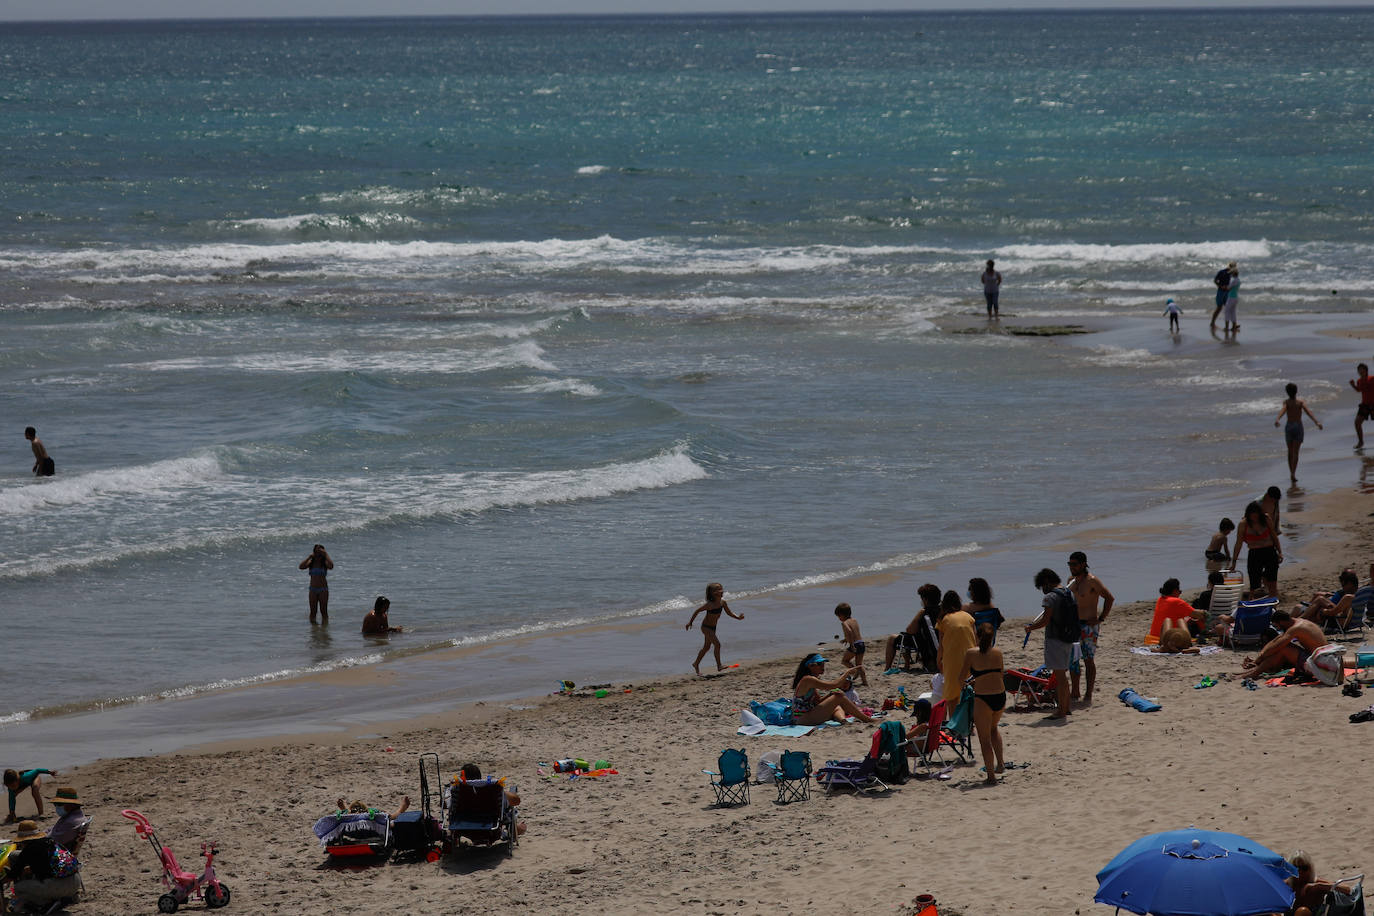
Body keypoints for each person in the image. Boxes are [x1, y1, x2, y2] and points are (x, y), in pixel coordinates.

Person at [1024, 569, 1075, 720]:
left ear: (1046, 581)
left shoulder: (1050, 597)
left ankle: (1061, 710)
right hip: (1069, 637)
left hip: (1055, 639)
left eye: (1042, 586)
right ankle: (1066, 707)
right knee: (1063, 676)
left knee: (1059, 677)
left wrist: (1030, 628)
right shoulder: (1068, 593)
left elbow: (1045, 620)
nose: (1042, 590)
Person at [958, 622, 1006, 785]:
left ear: (977, 636)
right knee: (993, 729)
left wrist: (968, 685)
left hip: (983, 698)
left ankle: (991, 776)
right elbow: (999, 673)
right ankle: (1000, 764)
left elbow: (961, 678)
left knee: (984, 738)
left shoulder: (971, 653)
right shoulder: (998, 652)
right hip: (1000, 696)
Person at [1067, 550, 1114, 704]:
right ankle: (1075, 692)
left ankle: (1088, 694)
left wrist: (1101, 618)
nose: (1071, 567)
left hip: (1088, 626)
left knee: (1088, 660)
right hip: (1073, 625)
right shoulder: (1071, 581)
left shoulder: (1092, 580)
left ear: (1083, 564)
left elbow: (1109, 597)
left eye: (1074, 564)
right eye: (1069, 564)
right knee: (1073, 660)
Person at [7, 819, 81, 910]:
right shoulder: (50, 841)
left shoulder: (29, 850)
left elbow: (13, 874)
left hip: (61, 886)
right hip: (75, 881)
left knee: (18, 888)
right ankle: (66, 896)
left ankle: (47, 903)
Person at [1236, 609, 1331, 679]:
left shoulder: (1296, 628)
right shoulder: (1297, 622)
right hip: (1323, 658)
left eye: (1277, 626)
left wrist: (1260, 659)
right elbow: (1277, 639)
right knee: (1282, 648)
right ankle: (1255, 670)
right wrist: (1258, 658)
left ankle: (1254, 673)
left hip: (1321, 664)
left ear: (1281, 622)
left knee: (1283, 649)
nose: (1278, 629)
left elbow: (1277, 646)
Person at [791, 654, 874, 726]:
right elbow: (834, 685)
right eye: (819, 664)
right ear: (811, 666)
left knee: (836, 705)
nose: (822, 666)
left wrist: (830, 694)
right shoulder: (808, 680)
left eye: (823, 664)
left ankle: (844, 722)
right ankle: (867, 719)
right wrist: (847, 673)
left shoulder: (810, 680)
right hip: (802, 719)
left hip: (806, 717)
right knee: (839, 697)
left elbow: (818, 701)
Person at [685, 582, 743, 675]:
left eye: (721, 588)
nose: (720, 591)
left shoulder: (722, 603)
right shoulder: (710, 604)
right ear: (712, 593)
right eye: (717, 589)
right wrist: (690, 622)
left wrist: (738, 618)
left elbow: (729, 613)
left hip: (713, 628)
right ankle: (719, 665)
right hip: (706, 627)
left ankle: (695, 664)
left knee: (706, 647)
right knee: (717, 644)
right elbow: (697, 611)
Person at [882, 583, 941, 673]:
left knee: (892, 638)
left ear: (925, 600)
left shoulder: (924, 613)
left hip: (925, 645)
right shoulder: (944, 610)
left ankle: (887, 668)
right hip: (941, 644)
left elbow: (910, 630)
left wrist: (920, 614)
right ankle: (907, 663)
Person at [1230, 500, 1282, 598]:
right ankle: (1252, 603)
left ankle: (1273, 605)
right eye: (1252, 515)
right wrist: (1234, 562)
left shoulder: (1266, 519)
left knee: (1272, 582)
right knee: (1254, 584)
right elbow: (1238, 543)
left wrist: (1280, 552)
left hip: (1269, 551)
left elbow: (1274, 536)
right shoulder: (1244, 524)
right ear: (1248, 514)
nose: (1254, 517)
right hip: (1254, 553)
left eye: (1256, 514)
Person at [458, 763, 525, 836]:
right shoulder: (491, 791)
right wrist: (504, 793)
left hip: (464, 825)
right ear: (479, 778)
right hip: (490, 824)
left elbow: (446, 805)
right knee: (510, 811)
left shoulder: (458, 792)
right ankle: (516, 829)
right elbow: (516, 801)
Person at [1275, 382, 1322, 483]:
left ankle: (1291, 472)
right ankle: (1293, 473)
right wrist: (1316, 422)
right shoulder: (1300, 402)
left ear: (1287, 392)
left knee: (1290, 451)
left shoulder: (1286, 402)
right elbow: (1308, 412)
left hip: (1289, 427)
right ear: (1296, 391)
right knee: (1295, 452)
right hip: (1298, 427)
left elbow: (1283, 411)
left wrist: (1278, 419)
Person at [935, 590, 975, 703]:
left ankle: (953, 719)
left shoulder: (943, 620)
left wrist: (938, 660)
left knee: (952, 696)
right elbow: (975, 640)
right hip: (969, 659)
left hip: (952, 660)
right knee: (968, 692)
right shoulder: (968, 617)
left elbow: (941, 646)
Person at [1286, 850, 1355, 916]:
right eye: (1295, 868)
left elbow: (1347, 890)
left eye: (1304, 868)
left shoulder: (1315, 883)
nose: (1300, 872)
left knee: (1303, 911)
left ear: (1310, 869)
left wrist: (1320, 886)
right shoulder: (1286, 885)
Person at [1147, 578, 1206, 645]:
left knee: (1186, 620)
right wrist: (1203, 612)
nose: (1180, 594)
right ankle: (1206, 632)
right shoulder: (1176, 602)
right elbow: (1197, 615)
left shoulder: (1160, 600)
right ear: (1175, 591)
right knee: (1184, 621)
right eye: (1179, 591)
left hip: (1154, 636)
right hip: (1170, 637)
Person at [833, 603, 868, 687]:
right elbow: (855, 633)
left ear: (841, 615)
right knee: (859, 664)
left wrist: (851, 644)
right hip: (861, 643)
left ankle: (855, 671)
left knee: (844, 661)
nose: (839, 619)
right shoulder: (854, 620)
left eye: (838, 617)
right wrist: (846, 639)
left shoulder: (844, 623)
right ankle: (864, 682)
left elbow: (849, 631)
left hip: (854, 645)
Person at [46, 787, 89, 855]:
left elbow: (53, 839)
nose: (57, 807)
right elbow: (54, 829)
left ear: (71, 805)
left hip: (58, 854)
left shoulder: (72, 821)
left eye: (59, 805)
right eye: (55, 804)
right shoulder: (72, 816)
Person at [299, 544, 334, 624]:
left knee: (324, 612)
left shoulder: (324, 562)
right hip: (313, 590)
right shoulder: (311, 562)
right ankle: (314, 632)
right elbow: (301, 567)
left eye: (320, 551)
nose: (318, 553)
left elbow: (331, 566)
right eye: (317, 551)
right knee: (313, 612)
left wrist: (326, 554)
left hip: (323, 590)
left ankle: (324, 631)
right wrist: (309, 557)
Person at [1351, 362, 1374, 448]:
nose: (1360, 371)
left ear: (1366, 371)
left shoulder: (1372, 378)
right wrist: (1353, 386)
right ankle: (1361, 442)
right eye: (1359, 370)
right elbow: (1359, 390)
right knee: (1357, 422)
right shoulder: (1359, 381)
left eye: (1362, 370)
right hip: (1365, 405)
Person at [1210, 262, 1233, 329]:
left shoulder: (1231, 274)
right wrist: (1220, 286)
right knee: (1219, 308)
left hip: (1227, 292)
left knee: (1228, 308)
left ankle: (1233, 325)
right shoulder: (1222, 272)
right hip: (1221, 292)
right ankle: (1212, 323)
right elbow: (1215, 280)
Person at [1222, 264, 1240, 332]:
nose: (1230, 275)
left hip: (1231, 297)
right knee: (1233, 312)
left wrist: (1224, 287)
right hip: (1235, 297)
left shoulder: (1234, 280)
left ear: (1233, 274)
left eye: (1231, 273)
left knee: (1226, 312)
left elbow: (1229, 288)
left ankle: (1226, 327)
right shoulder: (1238, 280)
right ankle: (1234, 326)